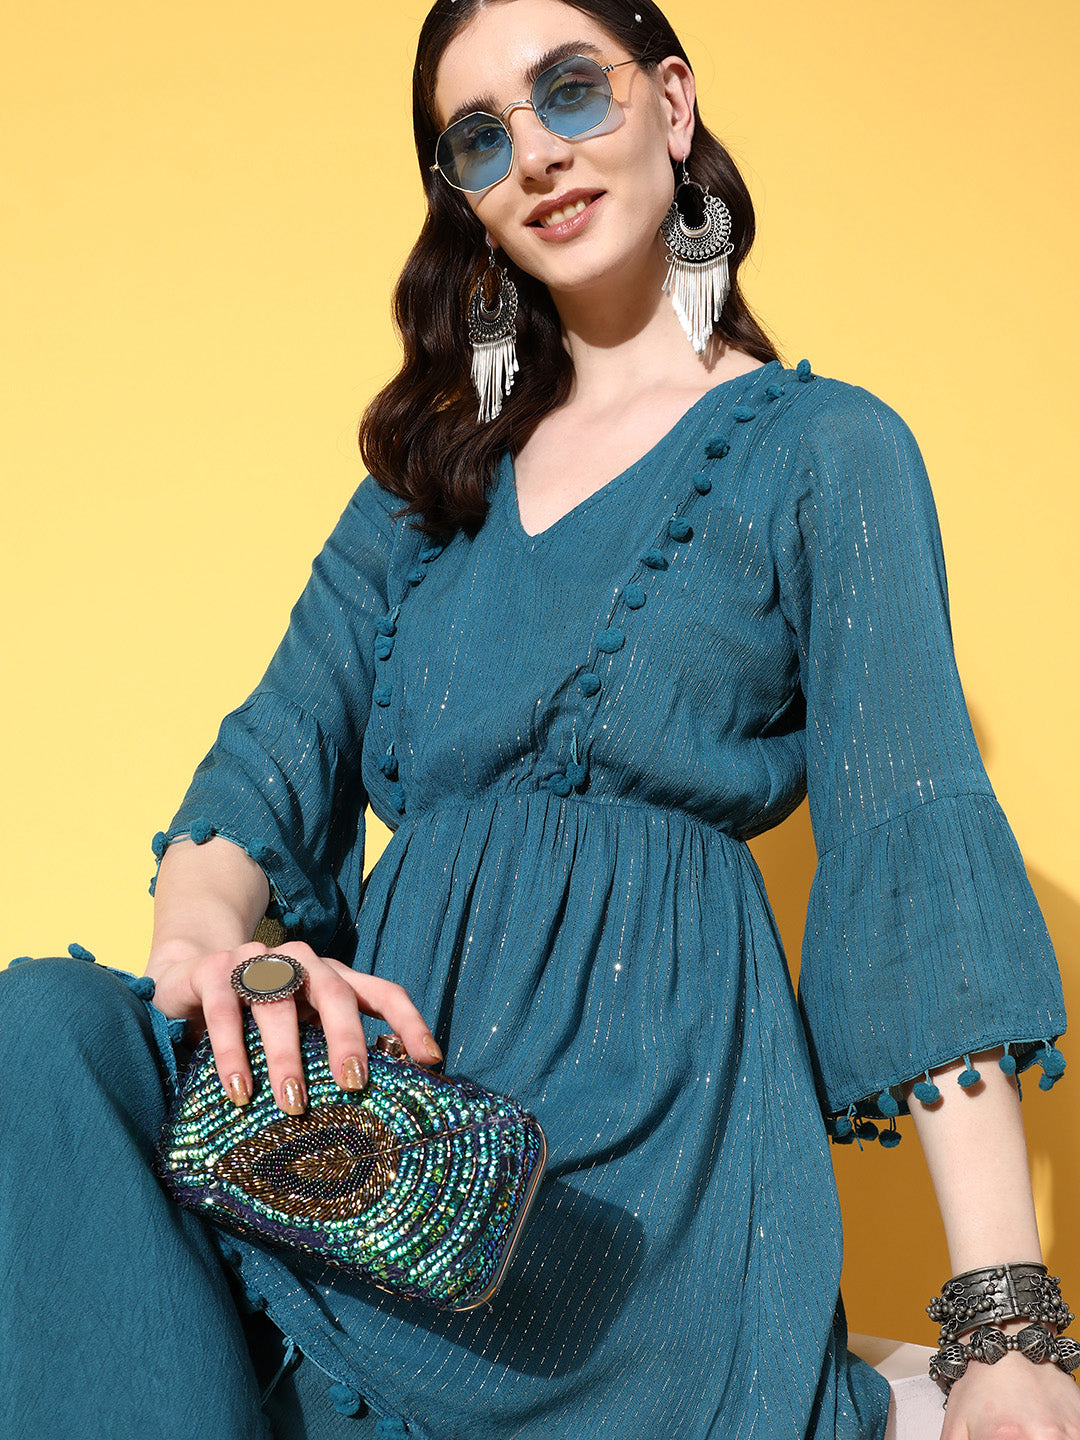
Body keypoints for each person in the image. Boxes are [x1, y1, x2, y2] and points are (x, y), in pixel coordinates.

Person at [1, 0, 1076, 1437]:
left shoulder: (823, 450)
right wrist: (222, 961)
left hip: (633, 1174)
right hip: (392, 1145)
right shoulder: (426, 488)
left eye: (572, 91)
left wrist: (1005, 1321)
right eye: (479, 136)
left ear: (671, 106)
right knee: (47, 1030)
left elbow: (912, 847)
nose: (537, 155)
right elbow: (258, 776)